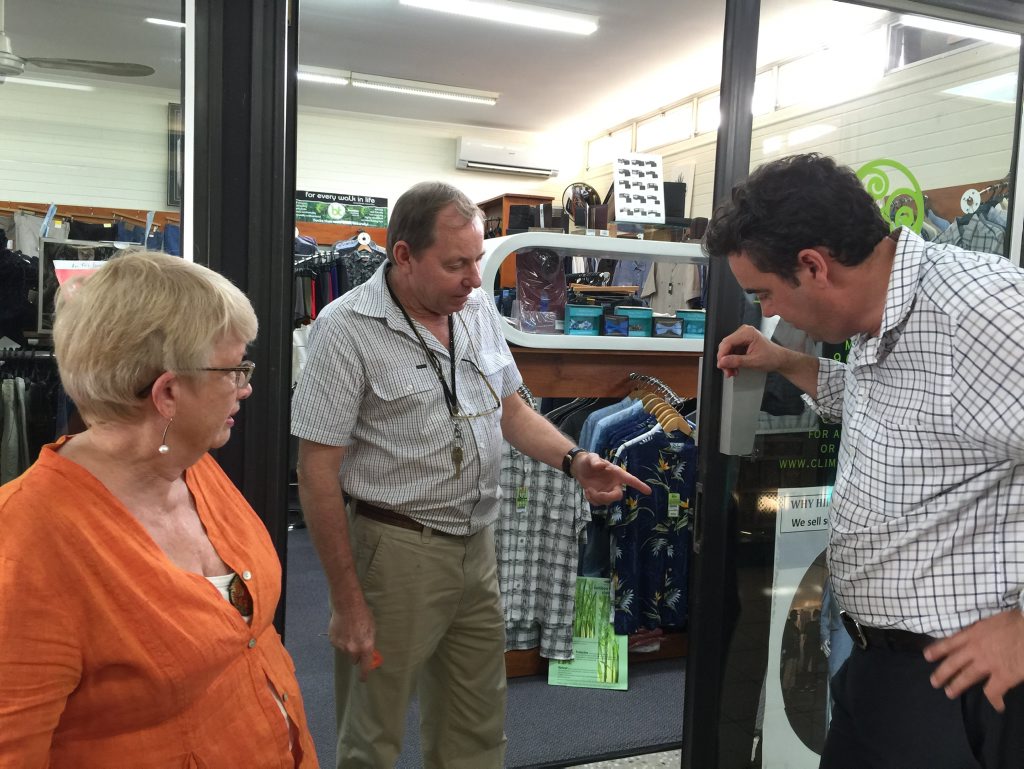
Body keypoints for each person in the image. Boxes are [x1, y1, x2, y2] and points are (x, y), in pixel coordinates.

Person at [291, 180, 650, 769]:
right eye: (455, 264)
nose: (474, 279)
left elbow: (511, 409)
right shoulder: (344, 328)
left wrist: (573, 460)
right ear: (403, 256)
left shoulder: (474, 309)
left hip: (478, 547)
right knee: (374, 730)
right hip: (394, 552)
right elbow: (317, 472)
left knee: (478, 723)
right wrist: (348, 601)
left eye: (477, 259)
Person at [706, 153, 1024, 768]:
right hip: (883, 661)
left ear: (813, 266)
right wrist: (790, 363)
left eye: (765, 295)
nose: (773, 313)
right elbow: (907, 415)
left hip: (964, 678)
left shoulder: (985, 311)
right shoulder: (883, 314)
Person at [0, 251, 319, 768]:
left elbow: (252, 639)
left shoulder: (193, 468)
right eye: (235, 369)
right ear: (168, 392)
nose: (247, 386)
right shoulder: (25, 544)